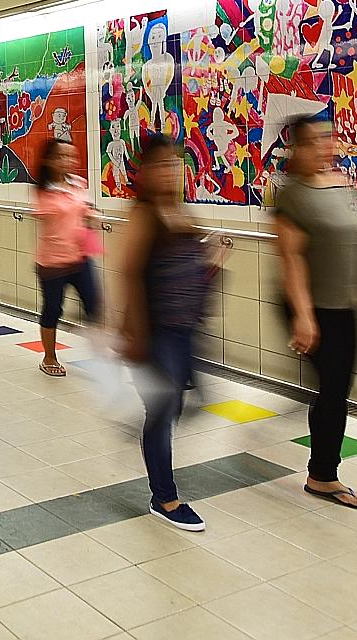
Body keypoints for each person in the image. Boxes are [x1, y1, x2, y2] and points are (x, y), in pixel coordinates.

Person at [117, 135, 223, 530]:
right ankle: (165, 497)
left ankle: (151, 450)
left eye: (175, 163)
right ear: (144, 172)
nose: (171, 171)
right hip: (157, 333)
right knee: (162, 412)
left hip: (184, 330)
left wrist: (212, 262)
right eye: (161, 165)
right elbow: (129, 276)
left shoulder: (179, 212)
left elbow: (191, 270)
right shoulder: (144, 216)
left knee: (174, 406)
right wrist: (135, 335)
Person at [272, 115, 357, 510]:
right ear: (296, 148)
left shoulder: (341, 184)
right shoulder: (293, 195)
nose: (324, 147)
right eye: (313, 141)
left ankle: (323, 471)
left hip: (345, 304)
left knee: (338, 388)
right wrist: (303, 316)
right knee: (332, 390)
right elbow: (291, 258)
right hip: (314, 307)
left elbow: (354, 239)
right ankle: (323, 476)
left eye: (328, 138)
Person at [32, 137, 101, 376]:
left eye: (71, 156)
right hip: (52, 262)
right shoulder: (43, 190)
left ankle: (102, 359)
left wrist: (90, 215)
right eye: (61, 156)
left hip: (80, 259)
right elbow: (46, 213)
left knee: (95, 306)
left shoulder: (78, 184)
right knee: (53, 309)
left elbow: (85, 210)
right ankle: (49, 357)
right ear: (49, 161)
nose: (67, 161)